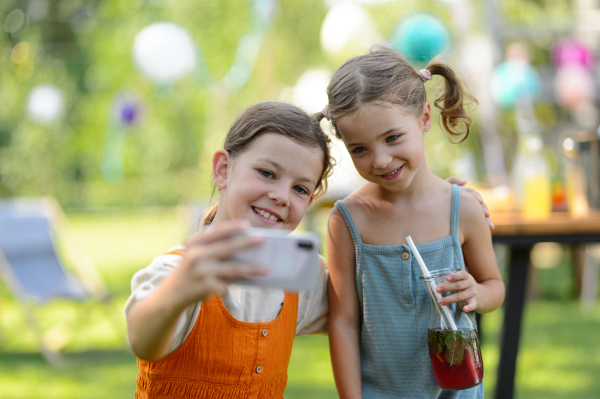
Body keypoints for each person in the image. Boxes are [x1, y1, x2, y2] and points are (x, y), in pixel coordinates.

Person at [323, 46, 505, 399]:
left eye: (392, 138)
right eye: (359, 149)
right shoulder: (346, 222)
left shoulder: (463, 209)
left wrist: (477, 293)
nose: (380, 159)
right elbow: (343, 322)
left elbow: (494, 286)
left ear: (423, 118)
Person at [125, 102, 335, 398]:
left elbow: (366, 314)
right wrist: (179, 291)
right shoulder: (177, 271)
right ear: (223, 170)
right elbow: (141, 338)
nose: (281, 196)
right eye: (266, 173)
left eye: (300, 189)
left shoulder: (301, 277)